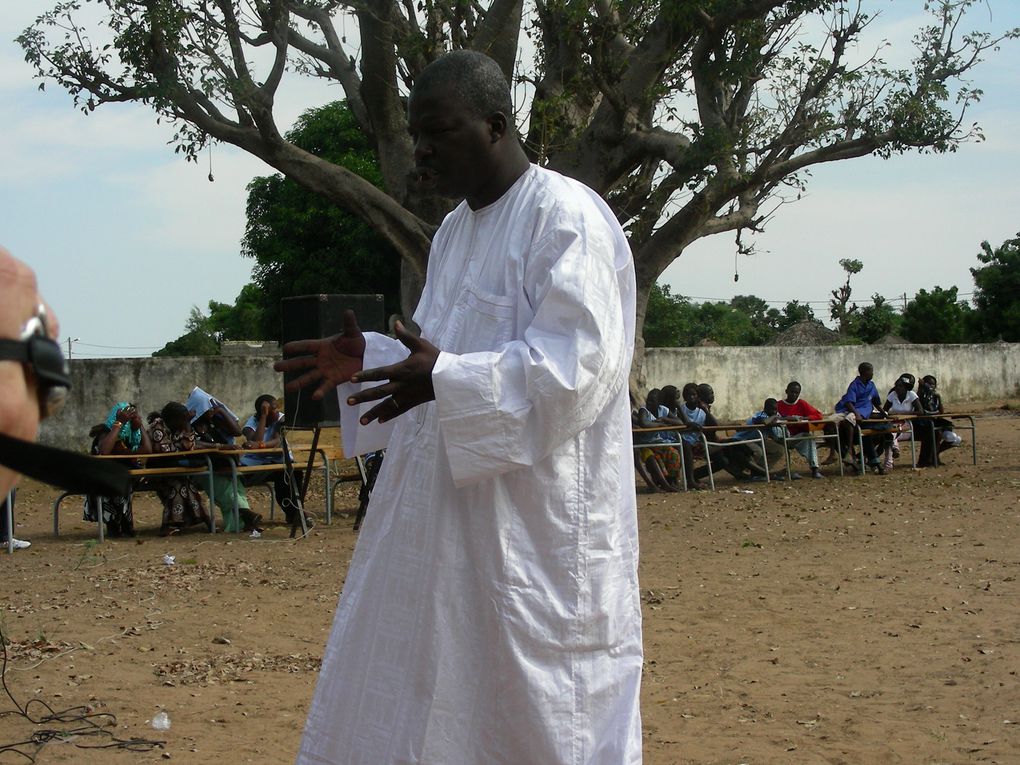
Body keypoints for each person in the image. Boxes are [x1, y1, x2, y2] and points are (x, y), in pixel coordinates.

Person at [276, 50, 641, 764]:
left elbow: (579, 369)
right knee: (442, 703)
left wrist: (445, 375)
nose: (422, 150)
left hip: (534, 534)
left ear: (497, 126)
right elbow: (440, 355)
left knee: (542, 715)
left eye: (438, 131)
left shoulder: (566, 219)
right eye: (416, 133)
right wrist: (375, 359)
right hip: (449, 533)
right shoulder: (451, 234)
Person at [187, 389, 262, 533]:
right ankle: (246, 514)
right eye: (208, 407)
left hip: (225, 466)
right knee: (227, 492)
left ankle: (239, 524)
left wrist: (221, 411)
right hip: (203, 469)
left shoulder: (213, 424)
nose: (211, 410)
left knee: (237, 487)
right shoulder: (189, 426)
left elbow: (237, 432)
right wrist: (221, 446)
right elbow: (193, 444)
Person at [83, 402, 152, 537]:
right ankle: (114, 525)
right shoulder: (106, 433)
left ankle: (125, 525)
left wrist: (140, 426)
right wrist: (119, 423)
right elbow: (104, 451)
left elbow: (147, 450)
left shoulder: (132, 436)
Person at [239, 394, 306, 527]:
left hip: (278, 463)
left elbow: (276, 441)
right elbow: (256, 439)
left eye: (276, 408)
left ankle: (296, 513)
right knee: (240, 478)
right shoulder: (250, 424)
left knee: (294, 473)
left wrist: (260, 445)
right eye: (273, 410)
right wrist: (263, 417)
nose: (277, 412)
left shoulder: (281, 420)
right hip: (255, 466)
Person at [148, 402, 213, 536]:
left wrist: (187, 425)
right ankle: (168, 524)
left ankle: (202, 520)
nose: (184, 423)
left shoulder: (177, 427)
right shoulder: (157, 428)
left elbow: (189, 445)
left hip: (174, 470)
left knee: (188, 486)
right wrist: (182, 440)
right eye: (183, 420)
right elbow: (165, 451)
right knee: (177, 486)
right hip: (157, 471)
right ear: (173, 419)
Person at [834, 361, 890, 474]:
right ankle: (850, 450)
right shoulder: (854, 385)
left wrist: (883, 412)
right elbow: (849, 402)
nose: (873, 374)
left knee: (876, 434)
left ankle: (873, 463)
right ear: (864, 372)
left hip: (866, 414)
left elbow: (876, 401)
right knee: (850, 420)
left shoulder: (871, 385)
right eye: (871, 372)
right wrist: (857, 414)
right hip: (856, 412)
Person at [776, 381, 826, 479]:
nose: (794, 395)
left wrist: (804, 418)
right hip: (782, 435)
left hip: (797, 436)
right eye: (792, 392)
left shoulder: (802, 403)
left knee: (809, 438)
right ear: (786, 391)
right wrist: (787, 419)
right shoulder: (778, 404)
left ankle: (815, 469)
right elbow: (771, 417)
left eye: (796, 393)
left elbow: (818, 415)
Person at [916, 374, 961, 467]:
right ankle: (930, 458)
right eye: (929, 384)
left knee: (954, 438)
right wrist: (922, 387)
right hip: (924, 423)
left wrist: (938, 398)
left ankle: (935, 454)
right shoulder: (919, 396)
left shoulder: (935, 396)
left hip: (935, 420)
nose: (931, 387)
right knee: (936, 434)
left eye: (933, 385)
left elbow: (941, 412)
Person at [882, 373, 923, 471]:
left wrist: (905, 414)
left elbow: (920, 411)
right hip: (893, 423)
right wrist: (890, 415)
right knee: (889, 435)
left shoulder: (911, 395)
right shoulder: (892, 395)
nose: (897, 388)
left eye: (900, 386)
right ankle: (893, 453)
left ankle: (888, 464)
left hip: (907, 424)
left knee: (891, 434)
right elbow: (884, 410)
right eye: (896, 385)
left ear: (906, 387)